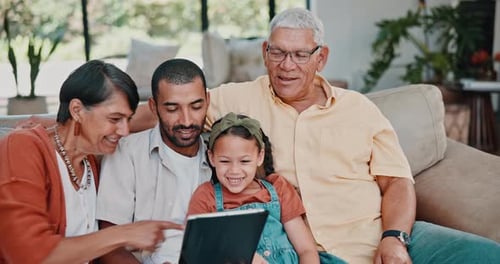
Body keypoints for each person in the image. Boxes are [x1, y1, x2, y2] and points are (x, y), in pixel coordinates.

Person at [203, 7, 500, 264]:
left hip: (380, 235)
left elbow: (396, 181)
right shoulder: (238, 97)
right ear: (265, 52)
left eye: (300, 54)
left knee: (485, 255)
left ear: (321, 58)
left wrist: (394, 237)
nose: (287, 65)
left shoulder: (359, 108)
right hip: (303, 251)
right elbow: (171, 107)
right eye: (277, 52)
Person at [0, 60, 182, 264]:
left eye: (128, 120)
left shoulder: (90, 163)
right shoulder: (23, 147)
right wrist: (123, 234)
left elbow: (156, 115)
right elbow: (27, 254)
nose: (124, 131)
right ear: (77, 110)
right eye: (114, 119)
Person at [188, 112, 349, 264]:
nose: (234, 170)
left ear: (260, 157)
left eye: (244, 161)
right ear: (212, 158)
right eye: (225, 161)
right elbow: (199, 250)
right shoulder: (206, 196)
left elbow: (306, 250)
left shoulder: (277, 187)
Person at [96, 58, 212, 264]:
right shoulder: (126, 153)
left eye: (196, 106)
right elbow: (109, 247)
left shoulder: (221, 156)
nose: (186, 120)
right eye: (172, 108)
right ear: (153, 106)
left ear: (207, 102)